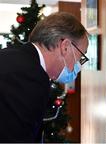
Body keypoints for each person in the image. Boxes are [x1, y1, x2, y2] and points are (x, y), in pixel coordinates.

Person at [0, 12, 89, 142]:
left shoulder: (14, 56)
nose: (79, 65)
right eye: (81, 56)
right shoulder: (30, 76)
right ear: (65, 47)